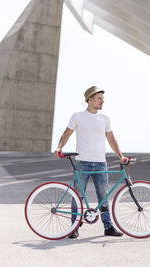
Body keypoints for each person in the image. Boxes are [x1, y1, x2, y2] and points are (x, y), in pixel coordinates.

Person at [54, 85, 128, 239]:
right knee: (77, 196)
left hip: (101, 162)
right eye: (99, 98)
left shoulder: (105, 118)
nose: (103, 101)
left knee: (103, 196)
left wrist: (120, 155)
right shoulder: (78, 116)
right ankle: (73, 228)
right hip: (82, 162)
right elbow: (67, 133)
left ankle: (108, 227)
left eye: (103, 98)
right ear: (90, 99)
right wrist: (59, 147)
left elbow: (111, 138)